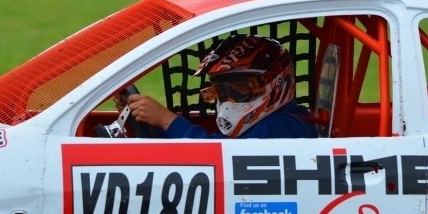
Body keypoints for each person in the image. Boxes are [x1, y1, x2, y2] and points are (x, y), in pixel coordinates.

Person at [120, 34, 318, 139]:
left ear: (276, 81)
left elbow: (219, 157)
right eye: (220, 92)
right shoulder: (272, 124)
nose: (228, 100)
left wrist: (166, 120)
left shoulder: (283, 128)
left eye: (240, 88)